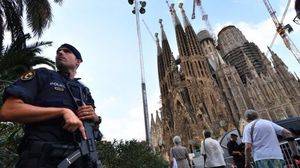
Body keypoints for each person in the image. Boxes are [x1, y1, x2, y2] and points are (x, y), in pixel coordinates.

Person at [0, 43, 101, 167]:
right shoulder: (42, 75)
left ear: (78, 61)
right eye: (59, 51)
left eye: (67, 51)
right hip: (41, 157)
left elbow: (93, 126)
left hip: (82, 159)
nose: (60, 53)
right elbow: (9, 110)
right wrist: (62, 111)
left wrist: (96, 118)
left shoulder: (84, 90)